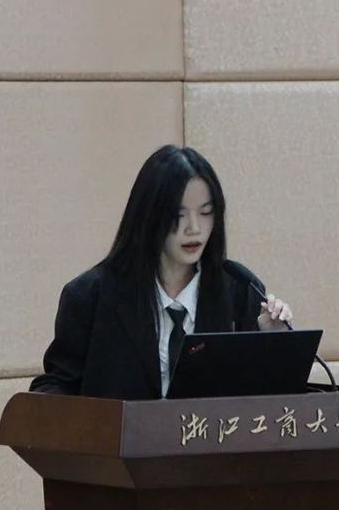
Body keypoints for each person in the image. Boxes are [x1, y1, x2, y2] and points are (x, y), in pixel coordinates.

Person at [29, 145, 293, 399]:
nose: (194, 228)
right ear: (149, 215)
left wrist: (273, 342)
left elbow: (265, 400)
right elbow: (54, 388)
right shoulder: (90, 296)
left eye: (206, 212)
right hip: (119, 433)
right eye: (178, 215)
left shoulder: (240, 290)